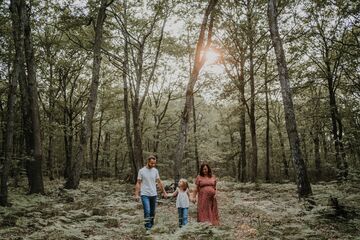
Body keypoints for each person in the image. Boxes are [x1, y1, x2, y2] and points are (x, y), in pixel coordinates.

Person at [135, 155, 167, 231]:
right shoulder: (141, 171)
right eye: (152, 163)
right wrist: (136, 194)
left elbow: (159, 182)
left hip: (154, 194)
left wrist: (164, 192)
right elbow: (138, 183)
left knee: (152, 213)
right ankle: (148, 229)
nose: (153, 165)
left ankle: (151, 226)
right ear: (148, 162)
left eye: (154, 163)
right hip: (145, 194)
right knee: (147, 211)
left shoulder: (155, 171)